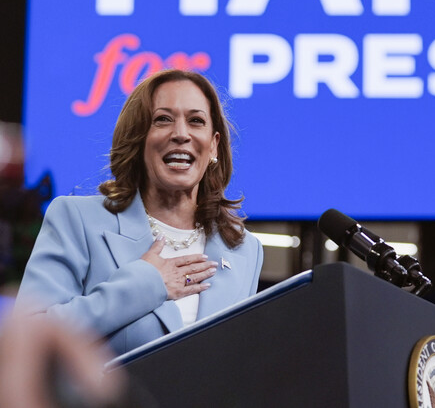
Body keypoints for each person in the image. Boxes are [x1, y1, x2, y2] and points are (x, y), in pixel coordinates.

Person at [14, 69, 264, 355]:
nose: (181, 134)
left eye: (196, 121)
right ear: (138, 138)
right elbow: (29, 338)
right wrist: (145, 284)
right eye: (162, 120)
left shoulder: (245, 250)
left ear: (214, 146)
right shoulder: (77, 220)